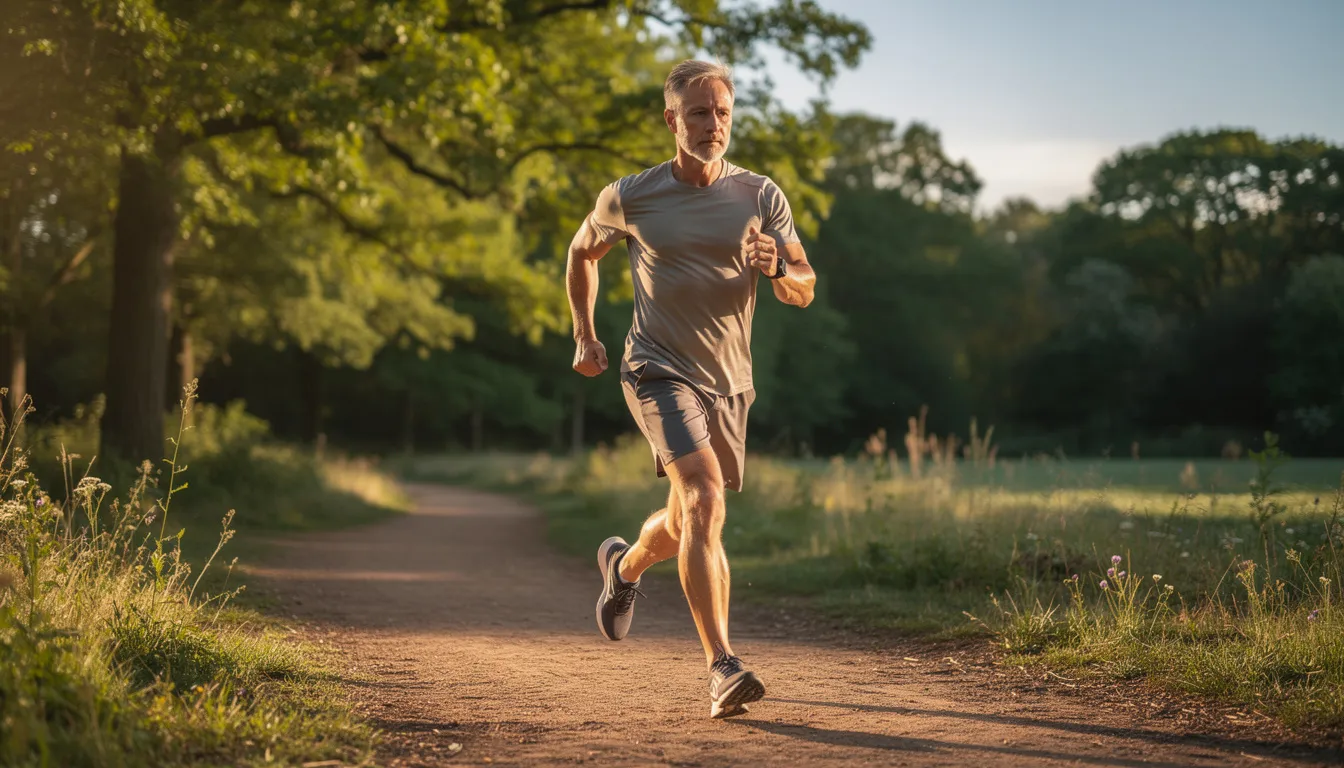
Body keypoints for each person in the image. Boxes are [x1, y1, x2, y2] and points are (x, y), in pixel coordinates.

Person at [565, 58, 816, 719]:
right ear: (672, 119)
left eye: (724, 113)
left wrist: (777, 271)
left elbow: (804, 284)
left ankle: (623, 568)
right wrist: (584, 334)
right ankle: (722, 668)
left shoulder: (761, 195)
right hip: (655, 368)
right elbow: (580, 254)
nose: (714, 125)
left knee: (683, 522)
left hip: (730, 383)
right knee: (705, 499)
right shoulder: (631, 195)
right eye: (699, 113)